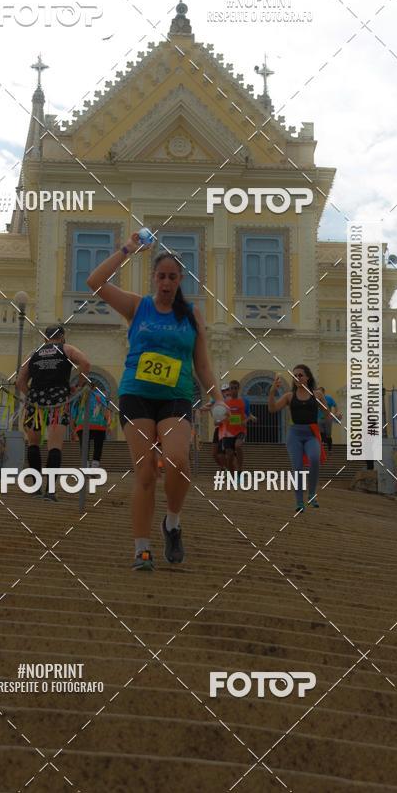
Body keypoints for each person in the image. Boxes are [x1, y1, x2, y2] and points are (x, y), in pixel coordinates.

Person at [87, 236, 226, 570]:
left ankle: (172, 524)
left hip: (177, 396)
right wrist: (127, 249)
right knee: (146, 472)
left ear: (180, 281)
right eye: (161, 276)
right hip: (136, 395)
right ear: (154, 278)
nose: (166, 282)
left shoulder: (192, 315)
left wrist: (218, 398)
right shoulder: (138, 307)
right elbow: (95, 282)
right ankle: (141, 548)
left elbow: (202, 364)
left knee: (178, 460)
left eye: (172, 277)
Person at [16, 325, 90, 502]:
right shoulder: (66, 349)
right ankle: (50, 491)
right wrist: (78, 386)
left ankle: (35, 488)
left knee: (33, 443)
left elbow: (20, 380)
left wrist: (31, 396)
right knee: (54, 446)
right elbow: (86, 364)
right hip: (58, 399)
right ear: (63, 337)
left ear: (45, 338)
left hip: (36, 399)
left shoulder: (33, 353)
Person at [268, 365, 330, 512]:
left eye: (300, 375)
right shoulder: (289, 396)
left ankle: (311, 494)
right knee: (297, 467)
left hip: (311, 434)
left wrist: (334, 417)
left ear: (308, 377)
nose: (297, 378)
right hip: (295, 434)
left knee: (314, 459)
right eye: (295, 376)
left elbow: (326, 413)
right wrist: (272, 392)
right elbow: (272, 409)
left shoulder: (318, 395)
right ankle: (299, 502)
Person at [71, 382, 110, 467]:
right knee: (98, 446)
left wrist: (73, 429)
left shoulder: (79, 398)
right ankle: (95, 465)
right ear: (94, 388)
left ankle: (86, 465)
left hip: (82, 425)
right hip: (99, 425)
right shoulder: (100, 396)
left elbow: (74, 414)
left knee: (84, 446)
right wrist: (108, 424)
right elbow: (105, 411)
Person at [220, 379, 255, 471]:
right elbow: (223, 415)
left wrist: (248, 419)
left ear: (238, 389)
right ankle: (231, 475)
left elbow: (248, 414)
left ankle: (240, 469)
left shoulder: (244, 401)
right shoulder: (225, 403)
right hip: (228, 432)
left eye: (235, 388)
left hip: (240, 430)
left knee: (238, 446)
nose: (233, 390)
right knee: (229, 455)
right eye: (231, 388)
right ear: (229, 389)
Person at [317, 387, 341, 452]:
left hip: (328, 419)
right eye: (318, 392)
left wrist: (336, 412)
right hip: (319, 419)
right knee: (321, 432)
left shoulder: (329, 398)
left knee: (328, 434)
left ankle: (329, 449)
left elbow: (335, 405)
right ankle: (322, 444)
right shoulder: (316, 399)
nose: (319, 393)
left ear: (323, 392)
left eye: (320, 392)